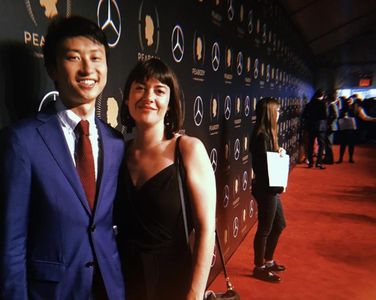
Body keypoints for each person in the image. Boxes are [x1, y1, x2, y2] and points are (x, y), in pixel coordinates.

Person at [0, 16, 126, 299]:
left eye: (96, 58)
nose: (88, 68)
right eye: (73, 57)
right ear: (53, 69)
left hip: (109, 287)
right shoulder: (22, 141)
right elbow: (12, 242)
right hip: (52, 292)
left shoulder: (116, 143)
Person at [116, 58, 216, 300]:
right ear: (127, 98)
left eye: (159, 90)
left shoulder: (188, 150)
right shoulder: (118, 152)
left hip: (172, 280)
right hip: (122, 278)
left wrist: (195, 293)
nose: (149, 96)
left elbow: (206, 229)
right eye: (140, 87)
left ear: (170, 104)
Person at [250, 97, 287, 283]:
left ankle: (268, 260)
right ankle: (259, 267)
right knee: (265, 228)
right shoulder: (261, 136)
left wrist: (278, 151)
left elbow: (269, 161)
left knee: (279, 224)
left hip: (270, 188)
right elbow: (265, 168)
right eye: (278, 111)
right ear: (270, 113)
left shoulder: (268, 135)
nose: (280, 114)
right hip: (266, 188)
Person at [304, 89, 328, 169]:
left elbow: (304, 115)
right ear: (322, 95)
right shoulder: (323, 104)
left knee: (310, 145)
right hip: (321, 127)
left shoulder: (310, 104)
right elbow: (325, 115)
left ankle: (310, 163)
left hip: (311, 126)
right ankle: (319, 163)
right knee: (321, 145)